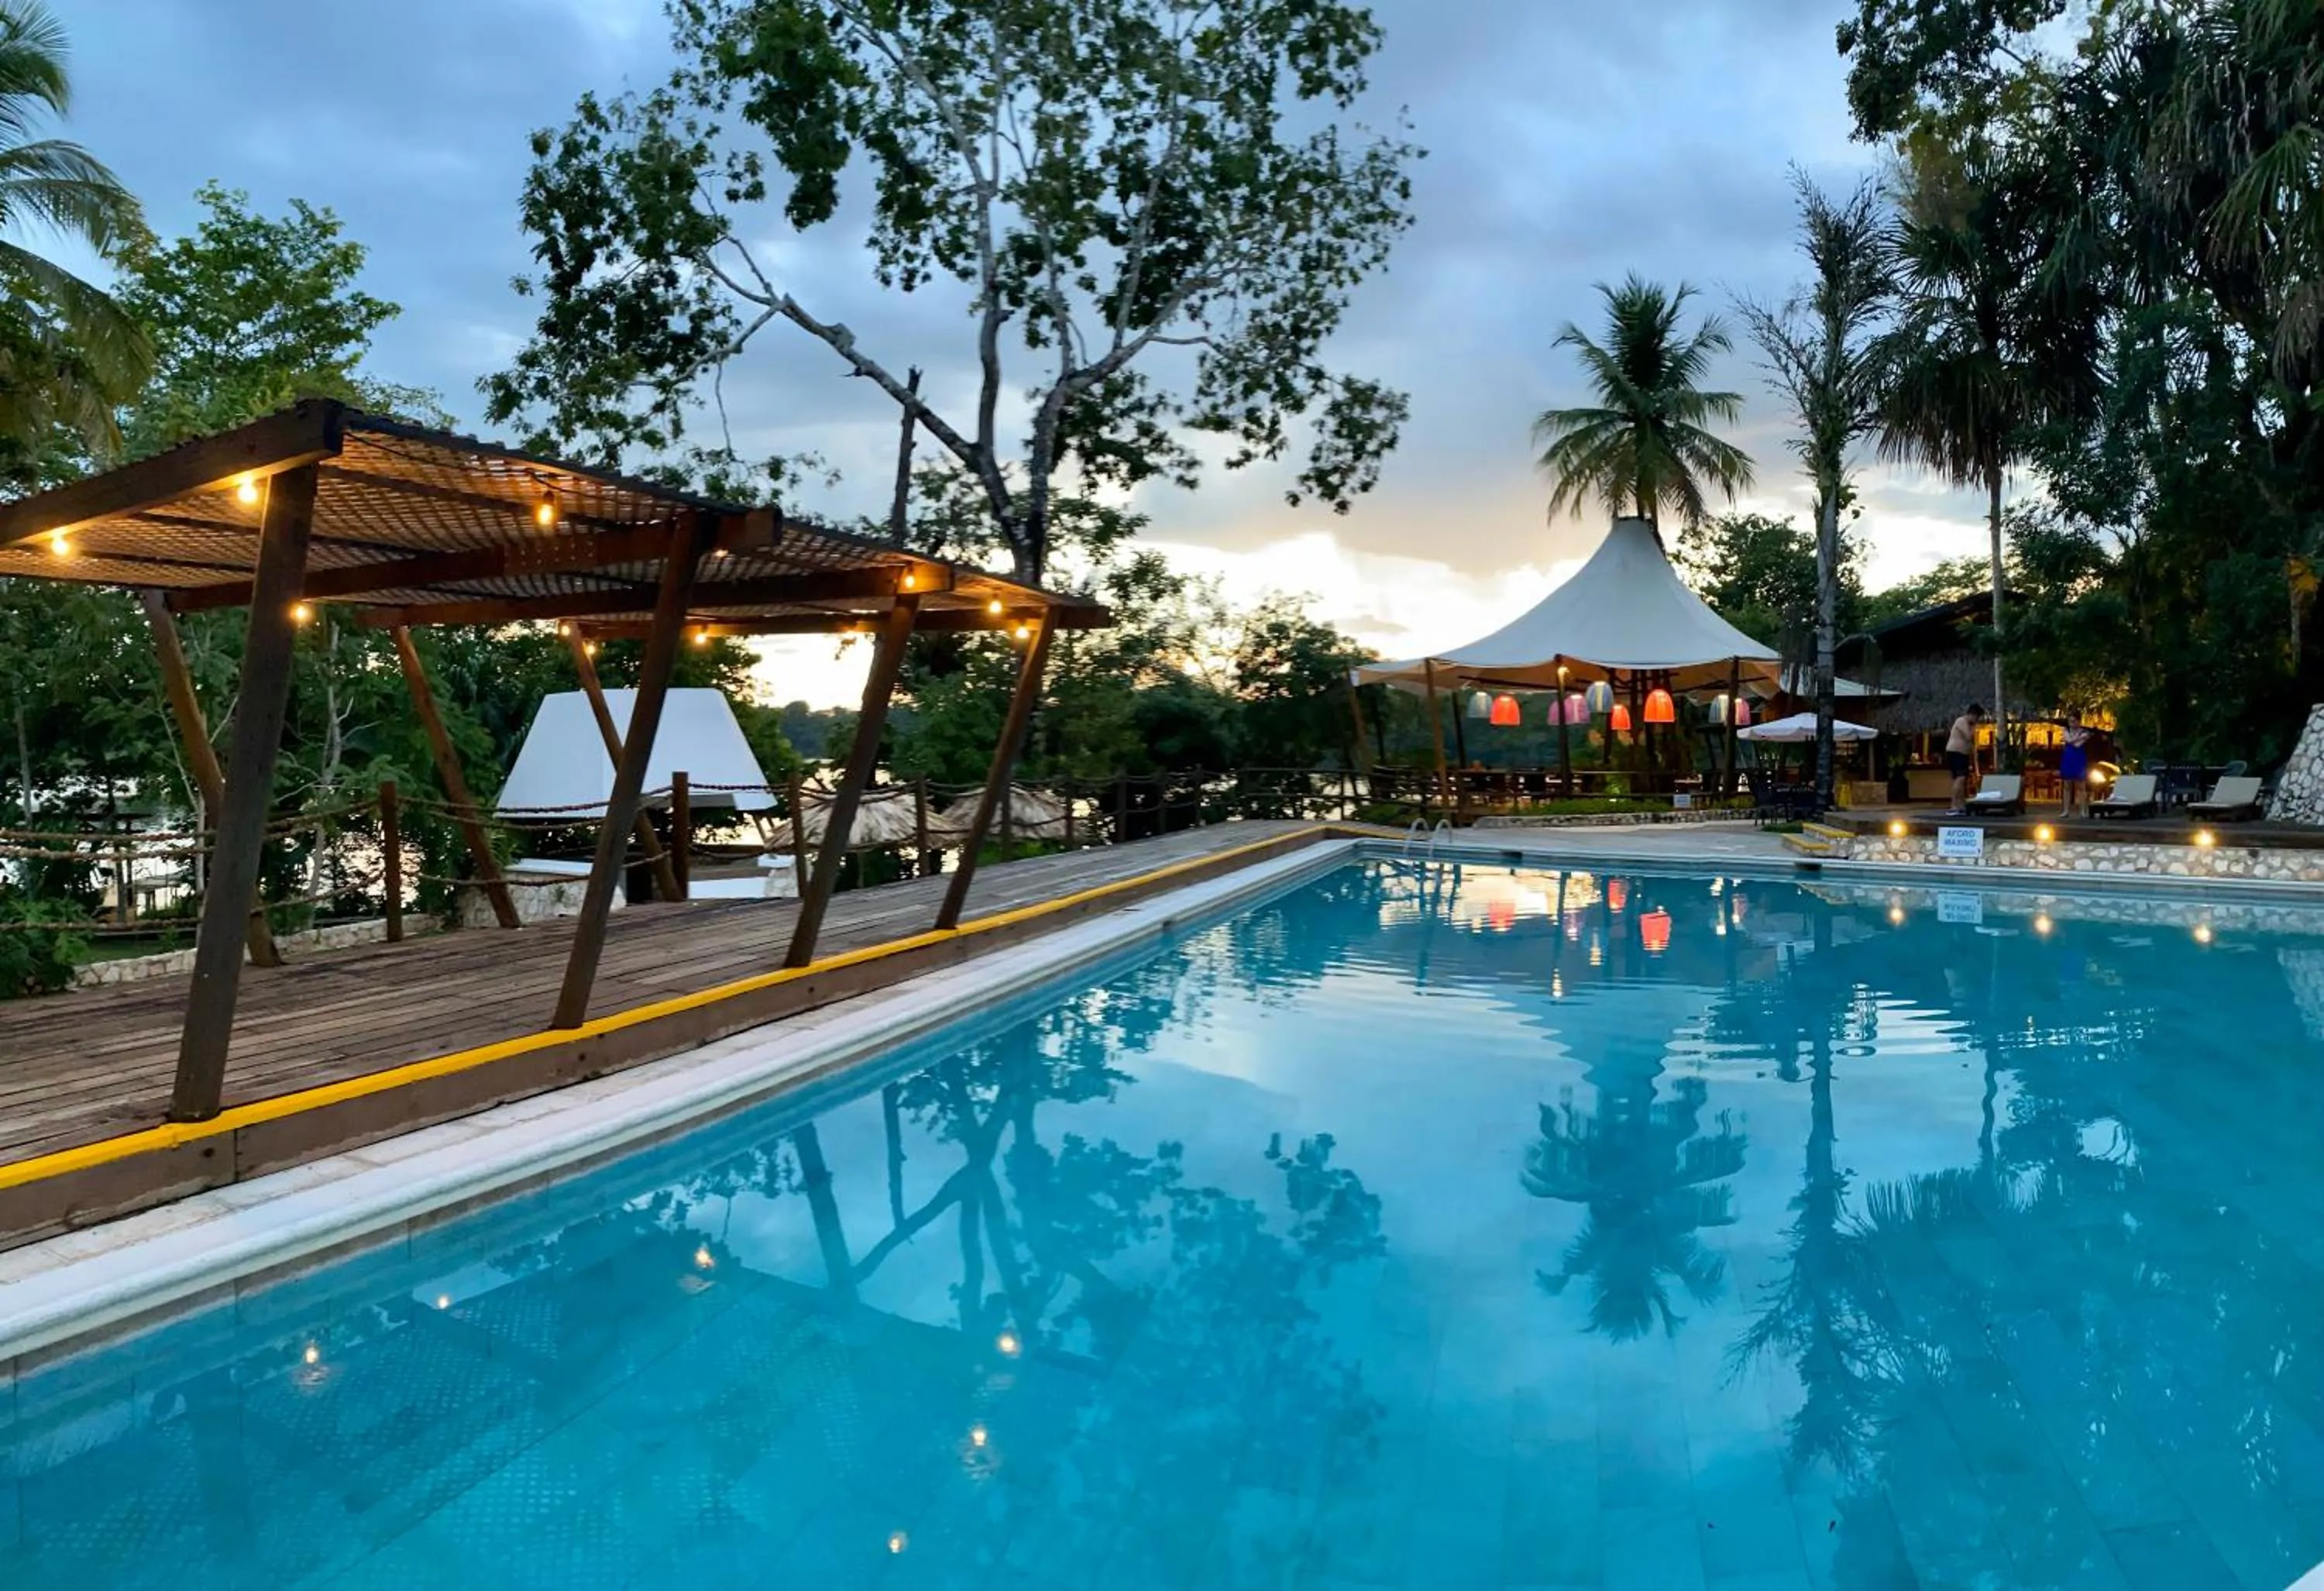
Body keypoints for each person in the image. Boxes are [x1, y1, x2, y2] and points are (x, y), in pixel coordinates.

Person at [1944, 703, 1985, 815]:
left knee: (1962, 780)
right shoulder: (1961, 721)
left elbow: (1971, 743)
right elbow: (1968, 736)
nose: (1976, 721)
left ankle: (1961, 805)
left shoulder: (1968, 724)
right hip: (1956, 752)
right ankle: (1954, 805)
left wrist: (1973, 754)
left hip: (1963, 754)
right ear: (1973, 715)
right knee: (1960, 778)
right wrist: (1974, 727)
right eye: (1976, 718)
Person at [2058, 715, 2092, 817]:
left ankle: (2082, 811)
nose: (2072, 724)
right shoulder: (2066, 730)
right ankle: (2066, 810)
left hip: (2079, 758)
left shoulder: (2084, 732)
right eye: (2070, 722)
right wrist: (2079, 738)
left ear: (2078, 721)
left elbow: (2077, 745)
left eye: (2074, 721)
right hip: (2068, 758)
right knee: (2067, 785)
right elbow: (2069, 740)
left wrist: (2072, 739)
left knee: (2081, 785)